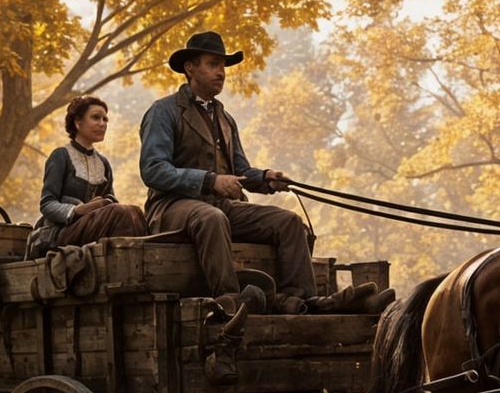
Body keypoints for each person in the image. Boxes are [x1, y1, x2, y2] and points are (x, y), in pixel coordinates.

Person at [139, 31, 393, 317]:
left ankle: (302, 300)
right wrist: (209, 181)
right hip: (172, 207)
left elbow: (240, 170)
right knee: (212, 218)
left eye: (223, 66)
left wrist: (266, 178)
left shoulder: (224, 118)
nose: (221, 72)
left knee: (289, 222)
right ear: (190, 68)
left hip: (220, 206)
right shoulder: (164, 111)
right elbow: (153, 169)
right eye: (212, 64)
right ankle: (230, 301)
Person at [30, 95, 147, 256]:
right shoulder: (61, 156)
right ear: (78, 122)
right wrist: (78, 210)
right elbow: (47, 205)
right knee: (121, 212)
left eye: (105, 119)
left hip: (95, 228)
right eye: (96, 118)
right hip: (62, 232)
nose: (102, 124)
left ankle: (131, 261)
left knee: (135, 212)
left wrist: (104, 202)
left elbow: (111, 199)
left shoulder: (103, 163)